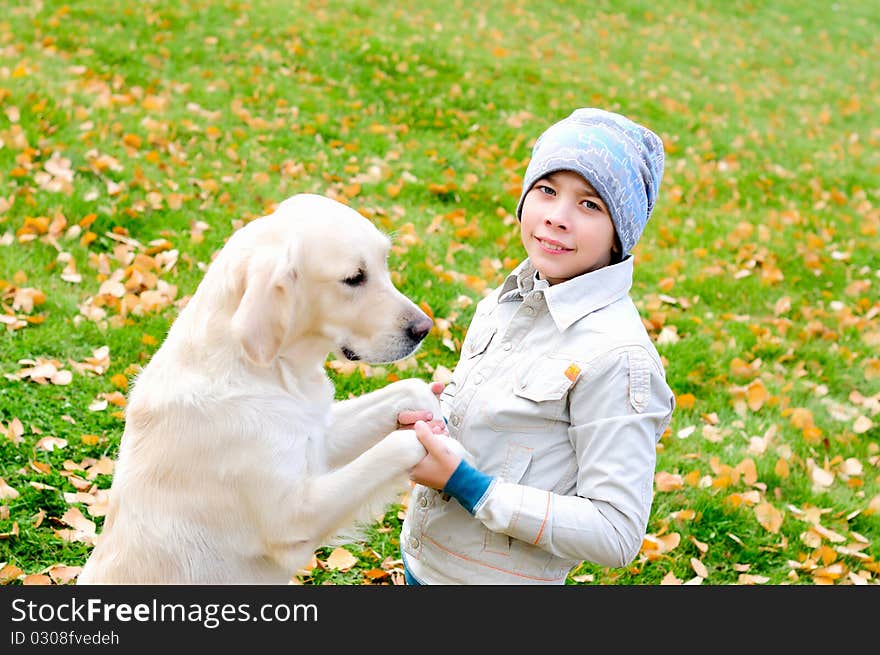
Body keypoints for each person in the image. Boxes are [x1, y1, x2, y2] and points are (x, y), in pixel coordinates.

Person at [396, 107, 675, 585]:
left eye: (590, 204)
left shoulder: (619, 359)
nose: (556, 218)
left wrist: (468, 485)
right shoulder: (507, 299)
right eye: (546, 190)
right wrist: (441, 417)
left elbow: (616, 532)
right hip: (427, 564)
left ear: (620, 233)